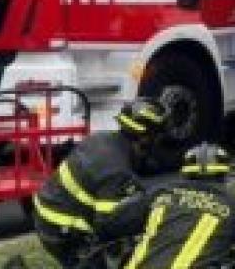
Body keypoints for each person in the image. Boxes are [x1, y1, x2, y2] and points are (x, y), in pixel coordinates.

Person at [33, 99, 174, 268]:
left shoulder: (101, 139)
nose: (159, 142)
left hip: (47, 217)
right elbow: (109, 225)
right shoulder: (117, 171)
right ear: (146, 138)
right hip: (65, 233)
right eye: (158, 135)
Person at [101, 143, 235, 269]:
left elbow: (113, 224)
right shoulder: (233, 205)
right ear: (223, 175)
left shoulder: (162, 193)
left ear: (186, 174)